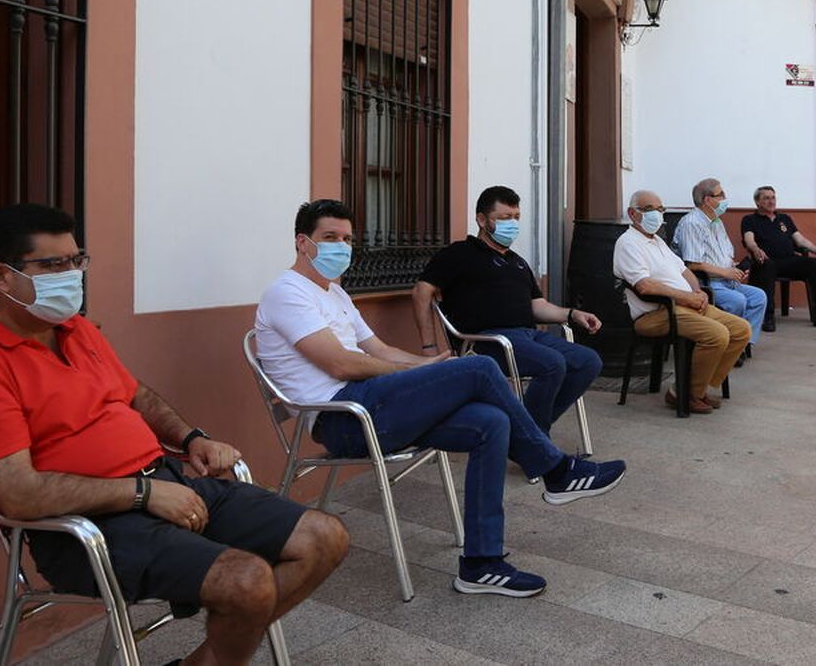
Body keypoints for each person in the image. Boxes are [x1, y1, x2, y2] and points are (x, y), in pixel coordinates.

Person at [0, 205, 348, 665]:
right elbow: (19, 495)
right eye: (53, 265)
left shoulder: (74, 330)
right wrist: (143, 494)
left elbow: (136, 396)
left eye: (76, 260)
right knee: (246, 582)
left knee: (324, 537)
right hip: (84, 529)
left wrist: (193, 438)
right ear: (1, 275)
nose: (71, 274)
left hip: (165, 481)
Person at [255, 200, 626, 598]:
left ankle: (481, 565)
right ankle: (556, 471)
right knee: (480, 368)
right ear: (302, 243)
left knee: (490, 423)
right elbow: (341, 364)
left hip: (374, 406)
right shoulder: (287, 292)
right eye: (330, 238)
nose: (341, 247)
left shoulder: (335, 294)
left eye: (347, 239)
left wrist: (428, 362)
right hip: (344, 418)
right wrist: (422, 373)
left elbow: (378, 349)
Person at [412, 185, 603, 435]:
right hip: (487, 340)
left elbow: (538, 306)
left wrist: (572, 314)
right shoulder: (459, 254)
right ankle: (532, 438)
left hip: (527, 336)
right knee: (553, 364)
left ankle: (526, 431)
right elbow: (421, 292)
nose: (512, 224)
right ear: (481, 219)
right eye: (504, 218)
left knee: (588, 361)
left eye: (516, 218)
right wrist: (429, 347)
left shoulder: (518, 262)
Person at [613, 190, 751, 414]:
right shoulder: (628, 243)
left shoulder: (657, 241)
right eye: (649, 210)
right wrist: (688, 297)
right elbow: (645, 286)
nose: (656, 215)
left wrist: (698, 292)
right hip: (656, 313)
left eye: (660, 210)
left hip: (684, 306)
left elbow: (684, 270)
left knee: (741, 330)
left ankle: (697, 388)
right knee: (717, 335)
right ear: (632, 213)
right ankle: (684, 394)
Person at [674, 178, 768, 345]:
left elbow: (722, 255)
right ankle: (730, 342)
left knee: (759, 297)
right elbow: (692, 264)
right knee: (737, 300)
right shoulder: (692, 223)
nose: (725, 198)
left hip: (726, 280)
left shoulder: (717, 222)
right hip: (706, 283)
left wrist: (735, 268)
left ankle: (743, 344)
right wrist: (726, 272)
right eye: (721, 195)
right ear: (708, 200)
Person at [740, 185, 816, 332]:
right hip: (767, 261)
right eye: (766, 198)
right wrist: (756, 249)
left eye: (773, 197)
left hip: (789, 260)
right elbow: (749, 240)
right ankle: (768, 317)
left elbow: (800, 241)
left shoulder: (784, 218)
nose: (771, 201)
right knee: (767, 266)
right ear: (757, 202)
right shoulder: (749, 220)